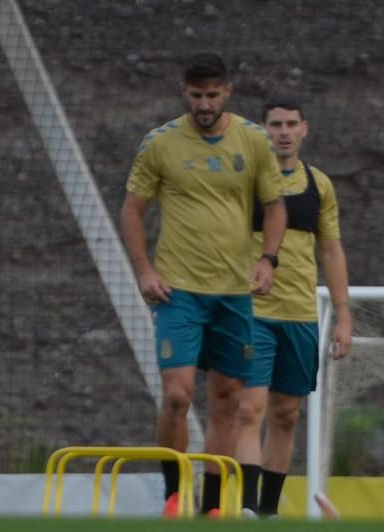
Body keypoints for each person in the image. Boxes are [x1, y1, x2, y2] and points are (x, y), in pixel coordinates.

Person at [120, 52, 287, 517]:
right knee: (177, 394)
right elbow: (133, 209)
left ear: (227, 91)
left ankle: (211, 508)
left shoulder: (253, 140)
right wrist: (144, 271)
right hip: (179, 291)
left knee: (228, 399)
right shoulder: (159, 143)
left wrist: (268, 260)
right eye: (196, 96)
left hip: (234, 292)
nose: (204, 104)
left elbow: (275, 207)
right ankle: (174, 496)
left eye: (212, 95)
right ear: (183, 92)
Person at [234, 96, 352, 517]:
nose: (283, 132)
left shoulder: (319, 185)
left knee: (286, 416)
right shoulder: (247, 180)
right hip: (253, 313)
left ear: (305, 129)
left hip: (301, 315)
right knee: (249, 409)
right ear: (262, 130)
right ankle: (247, 508)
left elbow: (332, 252)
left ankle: (268, 512)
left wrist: (343, 317)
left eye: (290, 124)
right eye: (275, 124)